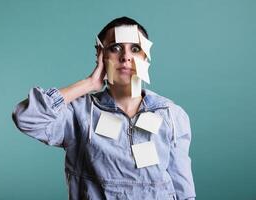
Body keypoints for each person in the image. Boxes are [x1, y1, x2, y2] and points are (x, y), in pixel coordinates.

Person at [12, 16, 196, 200]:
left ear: (146, 57)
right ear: (100, 55)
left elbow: (183, 188)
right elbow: (27, 118)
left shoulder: (171, 114)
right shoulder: (79, 112)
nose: (126, 57)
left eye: (135, 48)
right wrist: (89, 83)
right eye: (115, 48)